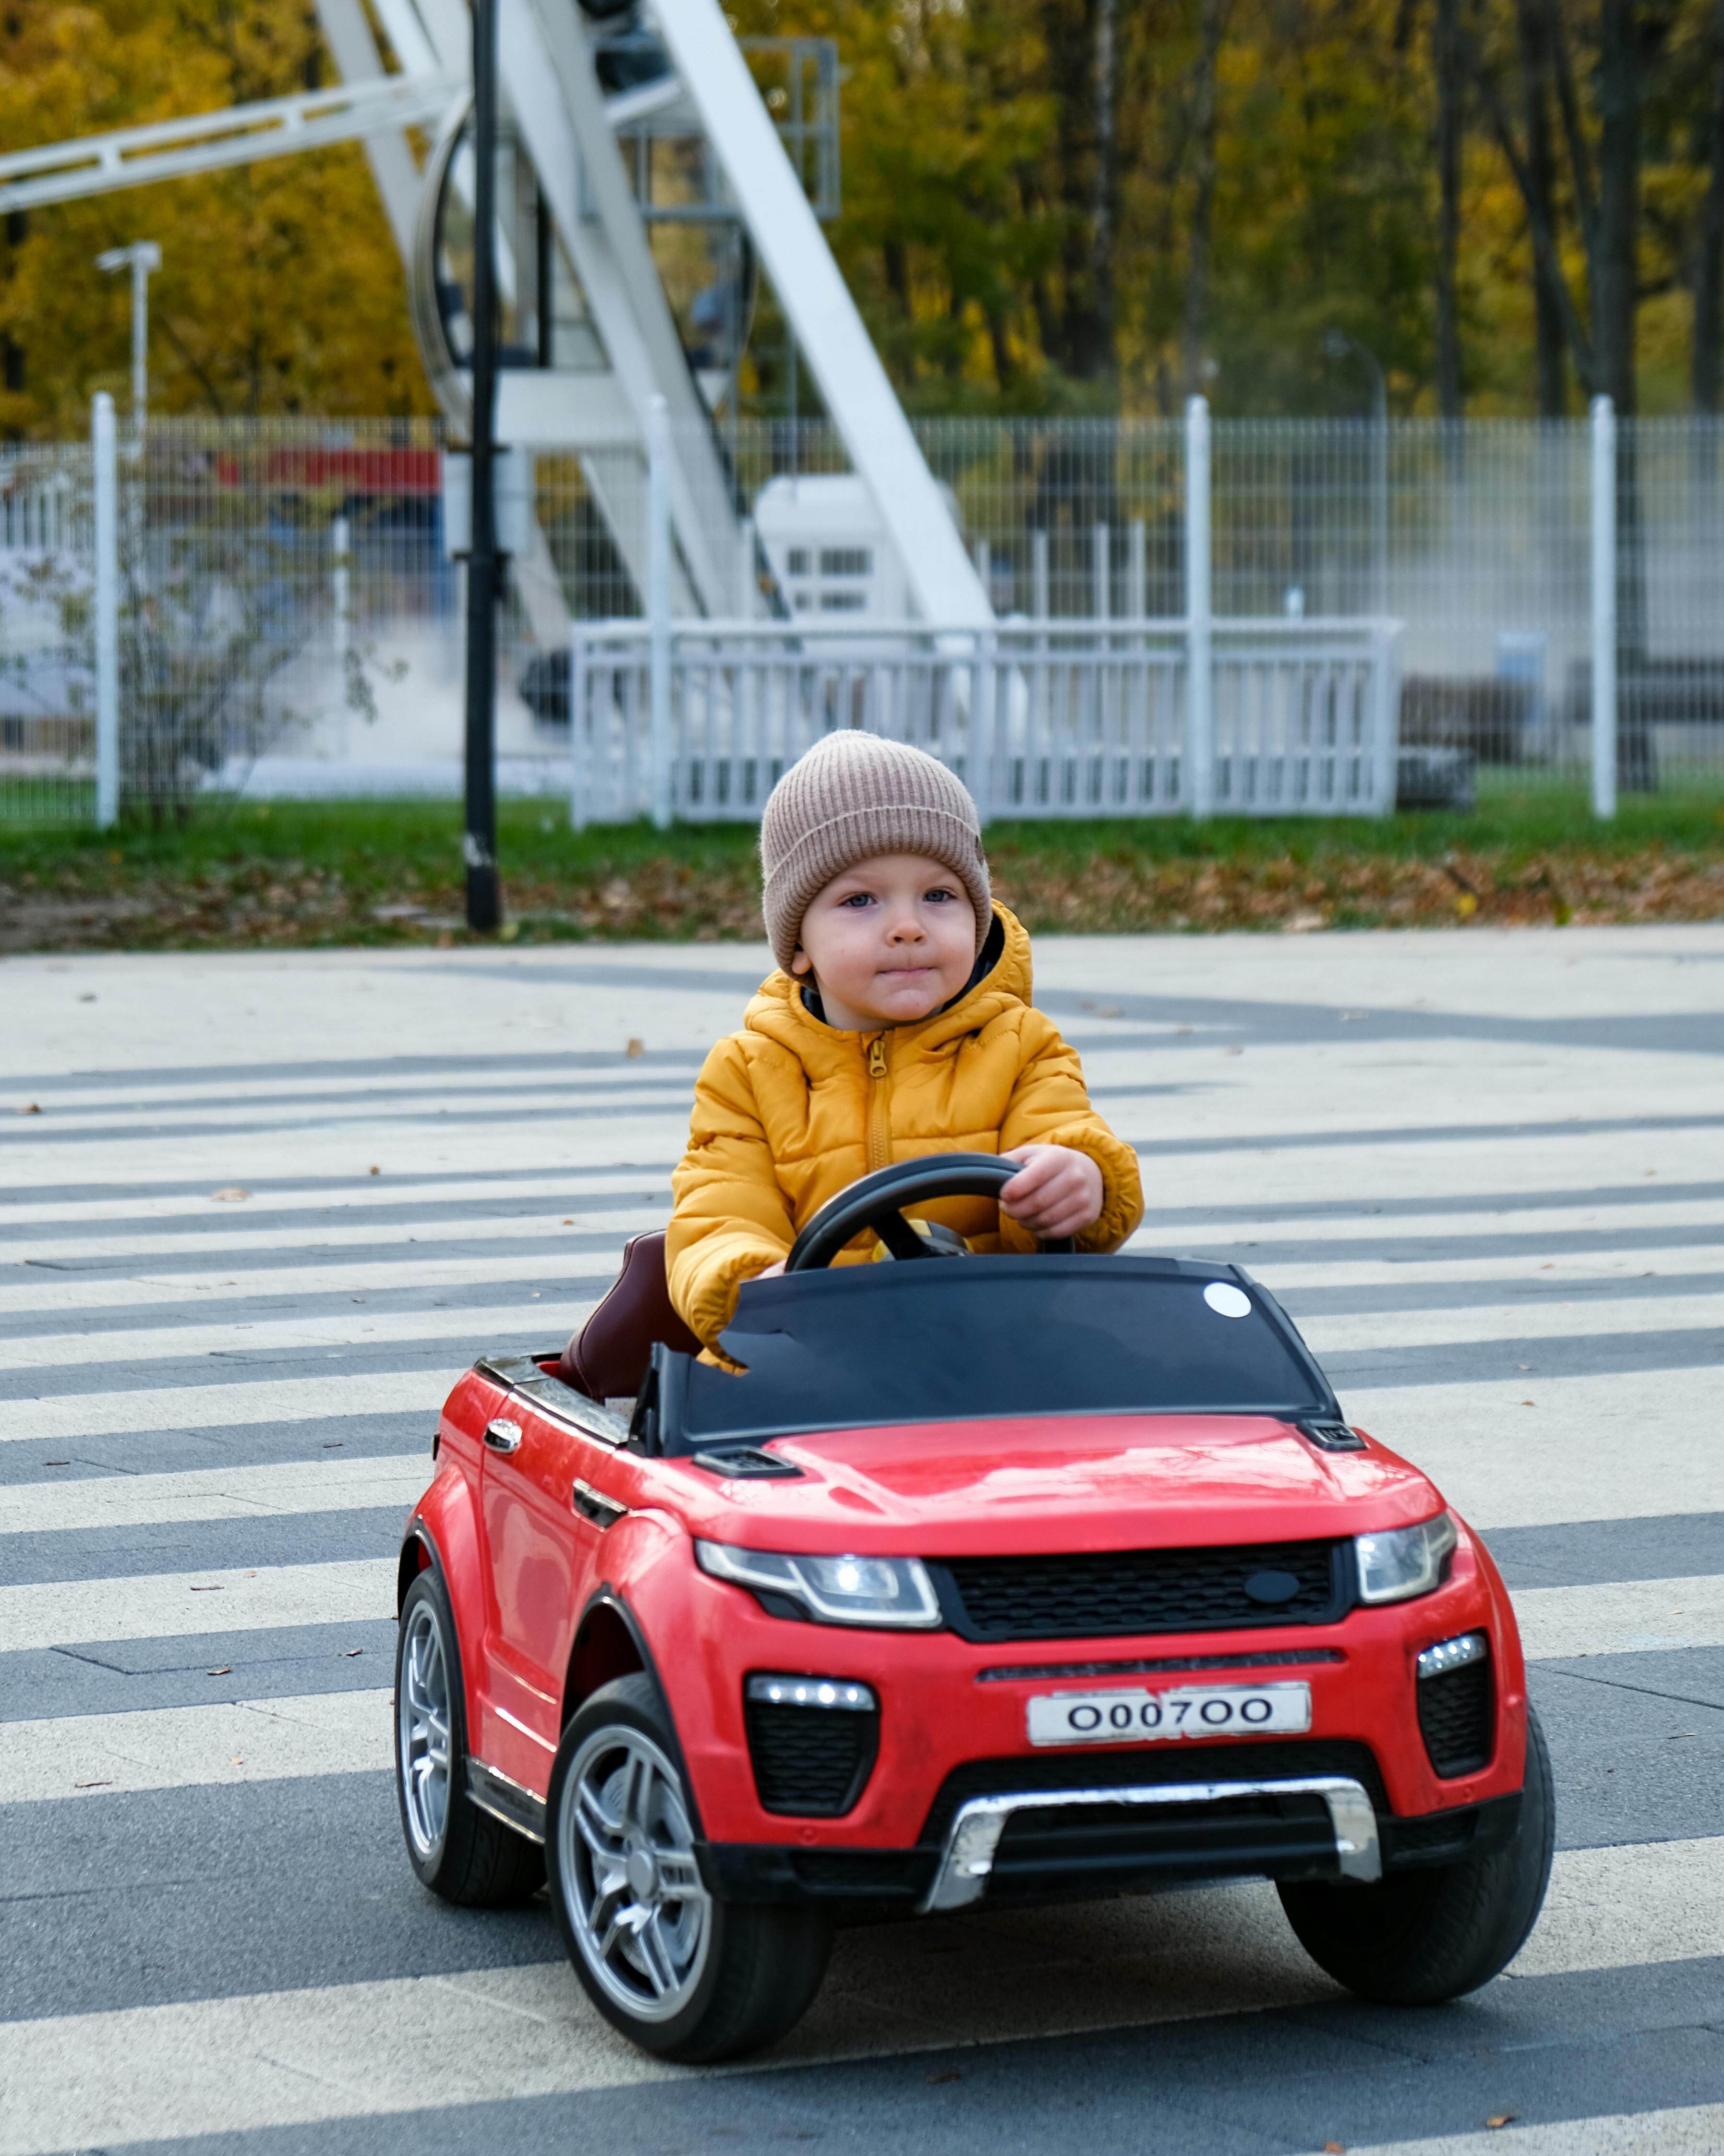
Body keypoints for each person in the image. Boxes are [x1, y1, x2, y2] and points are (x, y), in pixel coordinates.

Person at [665, 730, 1145, 1350]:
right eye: (860, 900)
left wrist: (1081, 1178)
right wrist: (758, 1286)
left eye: (939, 896)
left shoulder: (1020, 1045)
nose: (908, 927)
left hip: (997, 1352)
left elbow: (1064, 1132)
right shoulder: (748, 1072)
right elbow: (717, 1216)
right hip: (808, 1362)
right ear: (799, 946)